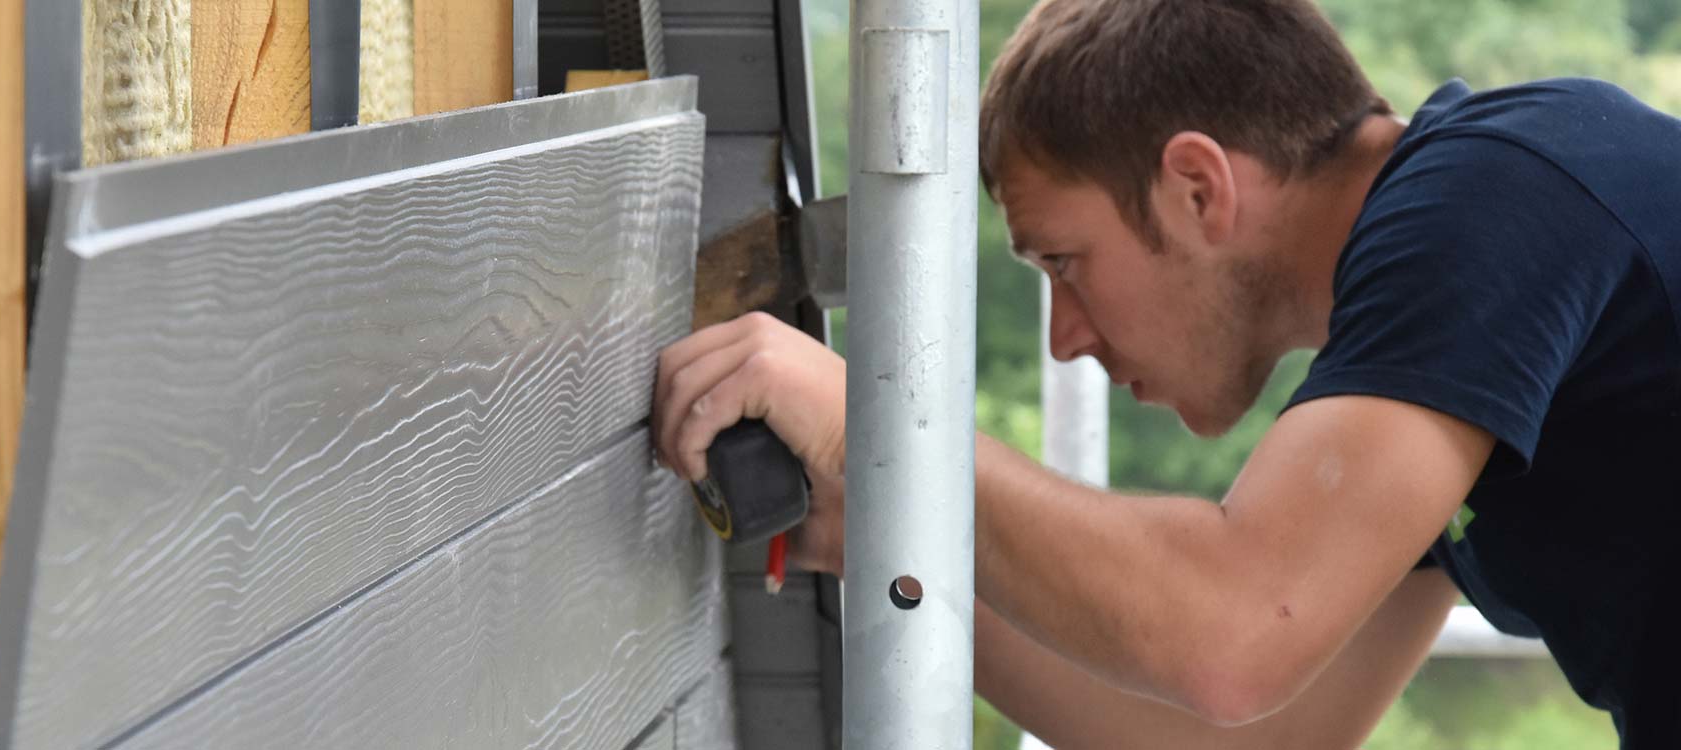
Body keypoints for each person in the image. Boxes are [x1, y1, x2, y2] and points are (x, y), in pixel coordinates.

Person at [649, 0, 1681, 746]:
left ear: (1197, 187)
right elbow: (1261, 730)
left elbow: (1234, 632)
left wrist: (865, 429)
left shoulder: (1502, 188)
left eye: (1064, 261)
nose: (1064, 338)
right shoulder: (1442, 373)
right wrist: (900, 528)